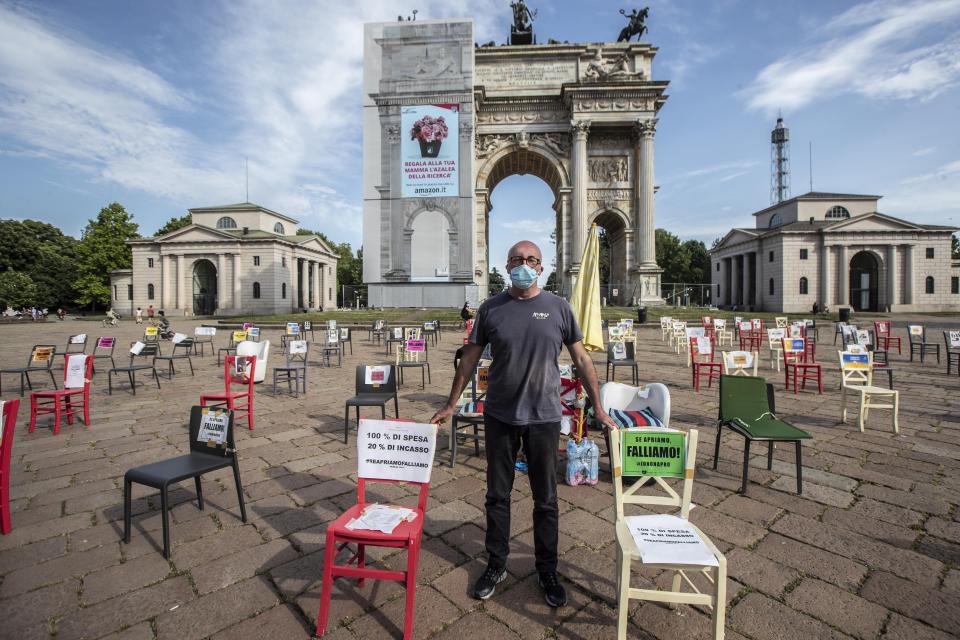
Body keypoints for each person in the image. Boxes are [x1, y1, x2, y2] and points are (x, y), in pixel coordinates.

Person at [431, 240, 615, 608]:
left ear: (541, 267)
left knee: (545, 499)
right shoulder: (490, 309)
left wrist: (599, 407)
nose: (524, 265)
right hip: (499, 415)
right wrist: (451, 403)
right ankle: (496, 564)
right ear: (507, 265)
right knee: (497, 496)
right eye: (517, 259)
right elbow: (469, 360)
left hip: (545, 417)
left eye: (531, 260)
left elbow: (581, 359)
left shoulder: (559, 307)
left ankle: (547, 568)